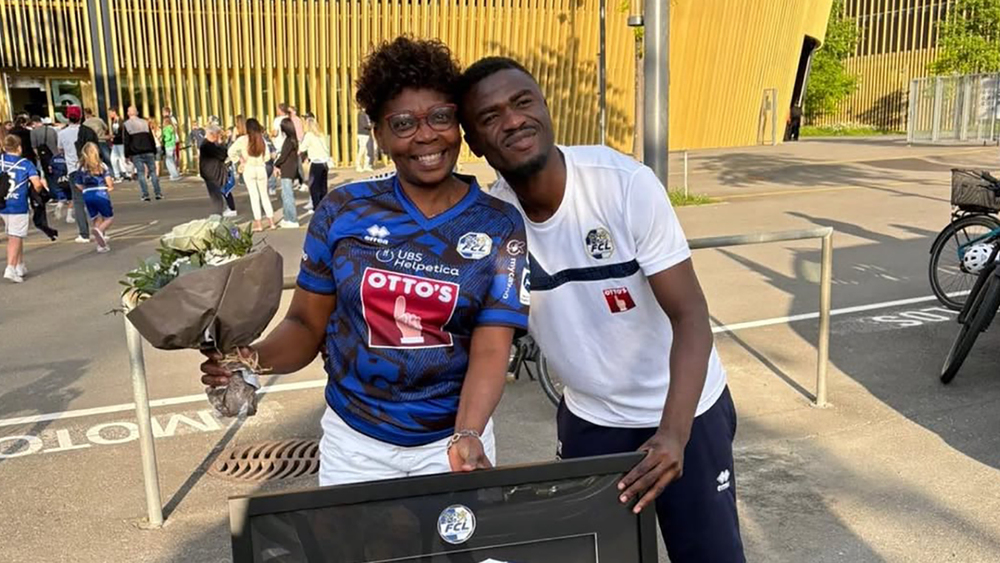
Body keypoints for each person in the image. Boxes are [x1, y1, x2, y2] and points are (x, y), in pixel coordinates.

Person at [199, 36, 529, 487]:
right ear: (378, 133)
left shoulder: (498, 222)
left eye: (440, 117)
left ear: (459, 124)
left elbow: (493, 346)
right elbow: (305, 326)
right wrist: (250, 360)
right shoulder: (342, 212)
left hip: (453, 441)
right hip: (356, 444)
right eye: (403, 122)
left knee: (458, 560)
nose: (426, 134)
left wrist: (468, 432)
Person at [458, 57, 745, 562]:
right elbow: (491, 344)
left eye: (523, 102)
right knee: (597, 556)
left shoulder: (622, 184)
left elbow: (692, 317)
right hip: (592, 421)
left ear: (545, 110)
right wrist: (469, 431)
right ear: (475, 142)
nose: (513, 120)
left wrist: (674, 434)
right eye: (490, 116)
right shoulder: (495, 222)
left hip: (685, 411)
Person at [1, 135, 45, 283]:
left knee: (13, 233)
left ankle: (19, 264)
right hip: (18, 204)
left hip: (3, 202)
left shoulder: (1, 161)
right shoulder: (26, 164)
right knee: (15, 236)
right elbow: (37, 184)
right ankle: (11, 267)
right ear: (19, 148)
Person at [228, 118, 275, 231]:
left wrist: (240, 160)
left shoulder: (242, 140)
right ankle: (272, 222)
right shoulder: (261, 139)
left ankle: (259, 224)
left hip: (249, 168)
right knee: (264, 196)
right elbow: (268, 157)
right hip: (261, 168)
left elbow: (231, 151)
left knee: (254, 197)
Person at [57, 105, 91, 242]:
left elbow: (60, 149)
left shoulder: (62, 133)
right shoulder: (86, 131)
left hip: (73, 169)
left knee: (78, 201)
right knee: (94, 197)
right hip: (88, 166)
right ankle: (101, 229)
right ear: (80, 116)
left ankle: (84, 233)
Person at [74, 142, 115, 253]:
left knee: (96, 218)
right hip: (100, 192)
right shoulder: (101, 166)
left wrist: (84, 190)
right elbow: (108, 181)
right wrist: (110, 187)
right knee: (109, 218)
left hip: (87, 193)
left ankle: (101, 245)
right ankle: (99, 230)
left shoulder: (81, 168)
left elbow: (77, 184)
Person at [123, 106, 162, 201]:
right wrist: (154, 150)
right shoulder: (145, 123)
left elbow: (126, 141)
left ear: (128, 113)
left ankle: (145, 194)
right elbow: (150, 138)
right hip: (148, 150)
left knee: (141, 173)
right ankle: (158, 193)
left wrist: (127, 155)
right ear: (137, 113)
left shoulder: (126, 124)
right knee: (153, 172)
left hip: (136, 152)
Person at [200, 124, 237, 217]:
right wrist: (220, 143)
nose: (218, 137)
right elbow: (222, 154)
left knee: (223, 191)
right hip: (212, 175)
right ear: (213, 134)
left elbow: (223, 155)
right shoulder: (207, 145)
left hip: (215, 174)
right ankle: (218, 214)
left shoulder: (210, 144)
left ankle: (224, 211)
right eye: (218, 134)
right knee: (216, 196)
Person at [272, 117, 300, 228]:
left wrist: (276, 163)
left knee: (288, 195)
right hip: (290, 169)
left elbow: (283, 156)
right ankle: (287, 218)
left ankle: (292, 219)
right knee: (285, 194)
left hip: (287, 170)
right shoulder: (293, 140)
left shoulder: (288, 141)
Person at [299, 114, 330, 213]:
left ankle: (317, 207)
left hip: (316, 162)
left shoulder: (309, 135)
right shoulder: (321, 134)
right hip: (324, 162)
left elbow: (302, 148)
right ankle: (324, 206)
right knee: (323, 187)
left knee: (314, 187)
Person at [108, 108, 133, 181]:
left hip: (121, 142)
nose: (109, 115)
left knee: (123, 158)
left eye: (110, 113)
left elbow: (122, 132)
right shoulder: (113, 121)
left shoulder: (121, 121)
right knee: (113, 159)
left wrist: (114, 136)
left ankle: (129, 173)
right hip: (115, 143)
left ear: (114, 112)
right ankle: (117, 175)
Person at [161, 116, 181, 180]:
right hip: (173, 145)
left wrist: (163, 139)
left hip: (168, 145)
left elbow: (168, 137)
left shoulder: (166, 129)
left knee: (169, 161)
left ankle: (174, 175)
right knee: (171, 160)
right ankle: (175, 174)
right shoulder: (172, 128)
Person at [355, 108, 374, 172]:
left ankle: (366, 165)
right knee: (362, 149)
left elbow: (370, 122)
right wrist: (371, 126)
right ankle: (358, 165)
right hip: (362, 134)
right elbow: (364, 125)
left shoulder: (367, 114)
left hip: (367, 134)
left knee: (368, 150)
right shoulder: (360, 114)